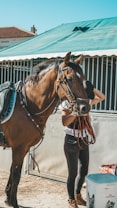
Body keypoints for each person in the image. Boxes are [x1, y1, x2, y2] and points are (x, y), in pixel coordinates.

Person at [61, 81, 105, 208]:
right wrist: (75, 112)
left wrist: (92, 88)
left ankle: (77, 195)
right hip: (71, 140)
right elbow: (64, 122)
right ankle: (71, 200)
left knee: (84, 170)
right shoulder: (67, 103)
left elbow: (102, 97)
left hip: (84, 139)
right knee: (73, 173)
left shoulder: (86, 101)